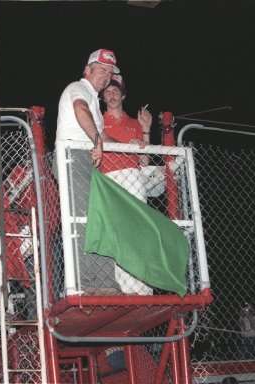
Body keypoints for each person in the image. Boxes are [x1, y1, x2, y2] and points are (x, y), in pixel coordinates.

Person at [55, 49, 122, 295]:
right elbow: (79, 110)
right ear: (88, 69)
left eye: (110, 72)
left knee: (100, 219)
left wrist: (133, 146)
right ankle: (84, 283)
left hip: (90, 160)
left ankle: (105, 284)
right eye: (101, 70)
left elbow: (104, 137)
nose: (106, 76)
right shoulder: (78, 88)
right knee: (82, 220)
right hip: (73, 157)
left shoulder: (95, 100)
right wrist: (97, 141)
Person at [99, 75, 154, 295]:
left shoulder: (134, 123)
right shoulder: (98, 119)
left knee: (138, 230)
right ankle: (120, 288)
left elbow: (145, 161)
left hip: (133, 177)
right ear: (103, 97)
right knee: (115, 233)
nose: (112, 95)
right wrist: (128, 146)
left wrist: (146, 130)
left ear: (123, 95)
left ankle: (141, 288)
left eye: (115, 91)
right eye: (107, 92)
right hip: (109, 178)